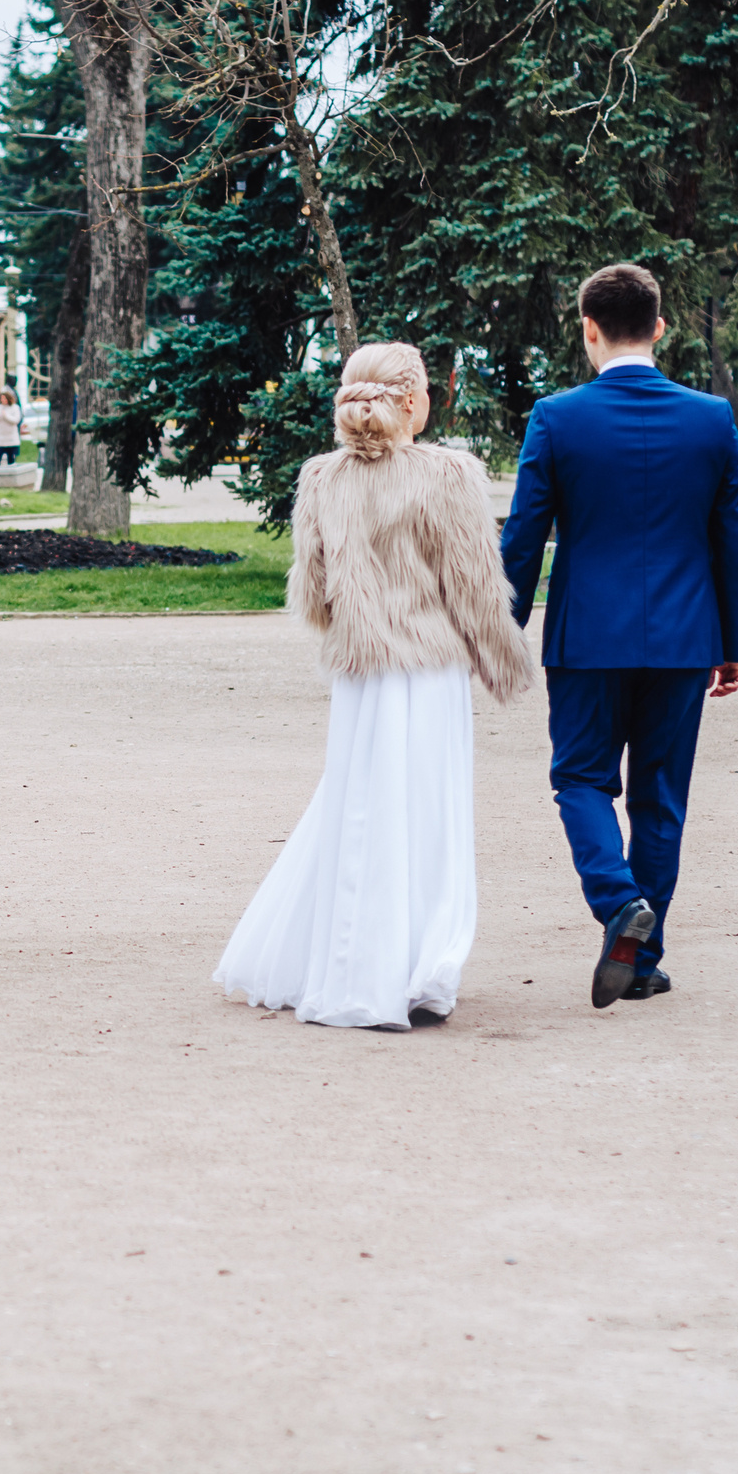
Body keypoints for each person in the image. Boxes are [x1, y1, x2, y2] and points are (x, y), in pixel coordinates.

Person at [215, 343, 534, 1030]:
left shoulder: (321, 478)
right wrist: (505, 661)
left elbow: (313, 593)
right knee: (428, 815)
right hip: (430, 669)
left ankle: (358, 963)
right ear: (415, 400)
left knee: (360, 809)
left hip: (361, 673)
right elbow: (476, 587)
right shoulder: (450, 473)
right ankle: (419, 967)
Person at [500, 263, 738, 1009]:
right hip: (682, 639)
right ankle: (642, 960)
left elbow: (525, 538)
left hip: (586, 640)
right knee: (660, 798)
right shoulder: (711, 418)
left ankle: (617, 904)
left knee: (580, 779)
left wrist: (501, 631)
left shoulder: (557, 417)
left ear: (589, 329)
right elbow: (730, 540)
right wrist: (732, 641)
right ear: (660, 328)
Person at [0, 388, 24, 465]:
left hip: (11, 437)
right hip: (0, 436)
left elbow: (16, 420)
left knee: (11, 458)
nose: (3, 400)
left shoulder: (15, 407)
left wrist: (6, 415)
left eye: (4, 398)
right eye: (1, 398)